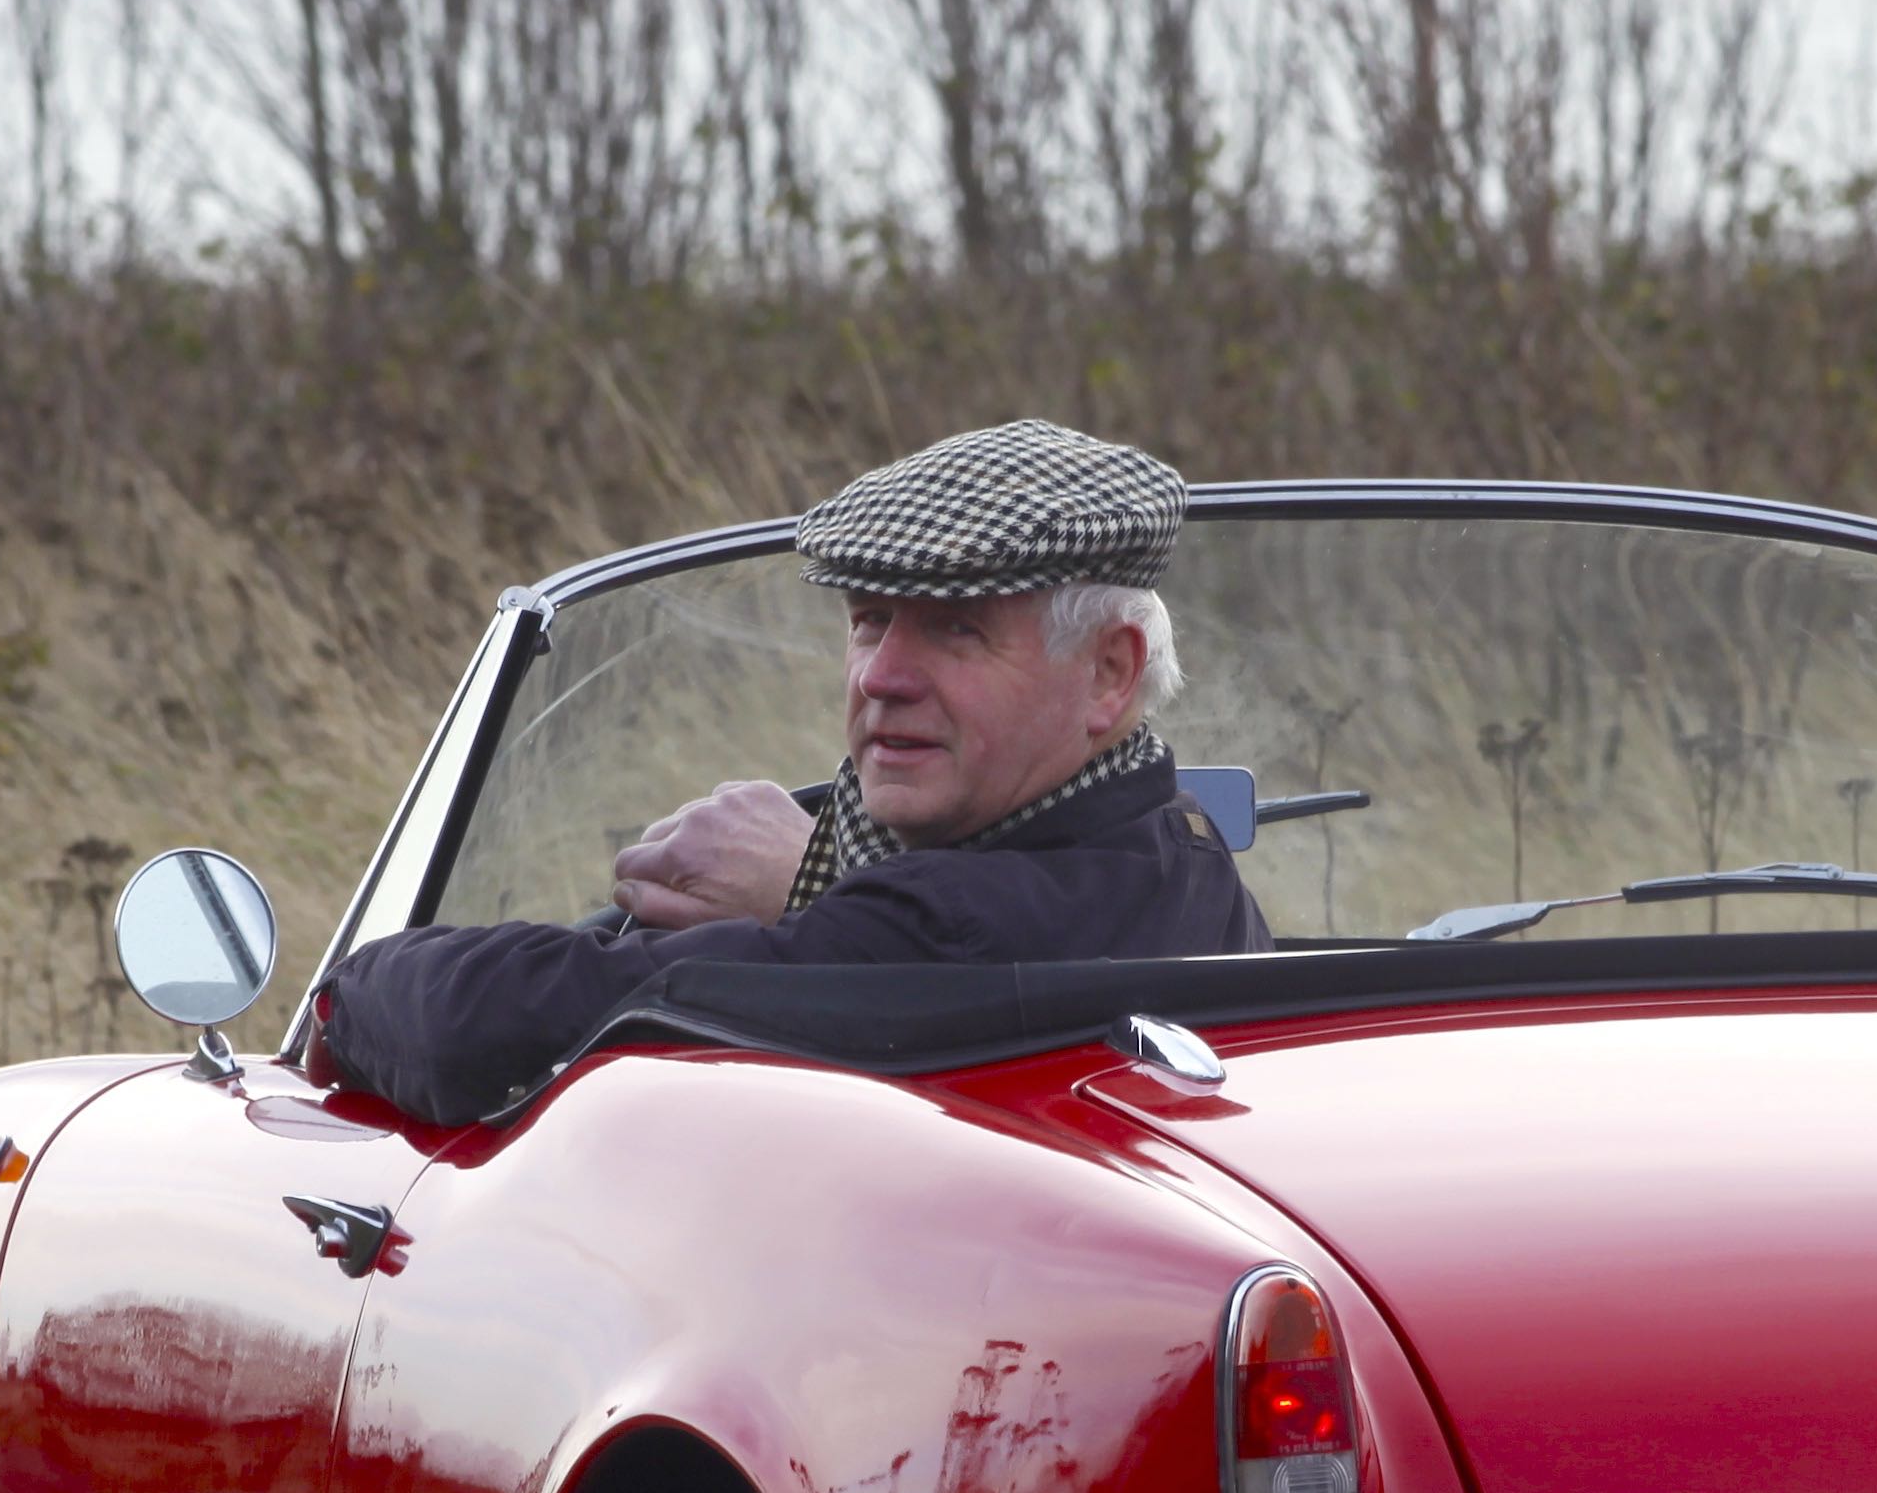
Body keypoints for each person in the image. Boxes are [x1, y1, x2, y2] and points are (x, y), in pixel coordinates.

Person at [310, 419, 1268, 1123]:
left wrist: (345, 992)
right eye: (867, 619)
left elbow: (488, 1027)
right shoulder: (1178, 846)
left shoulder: (941, 927)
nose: (882, 675)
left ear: (1108, 674)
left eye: (957, 630)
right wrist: (820, 885)